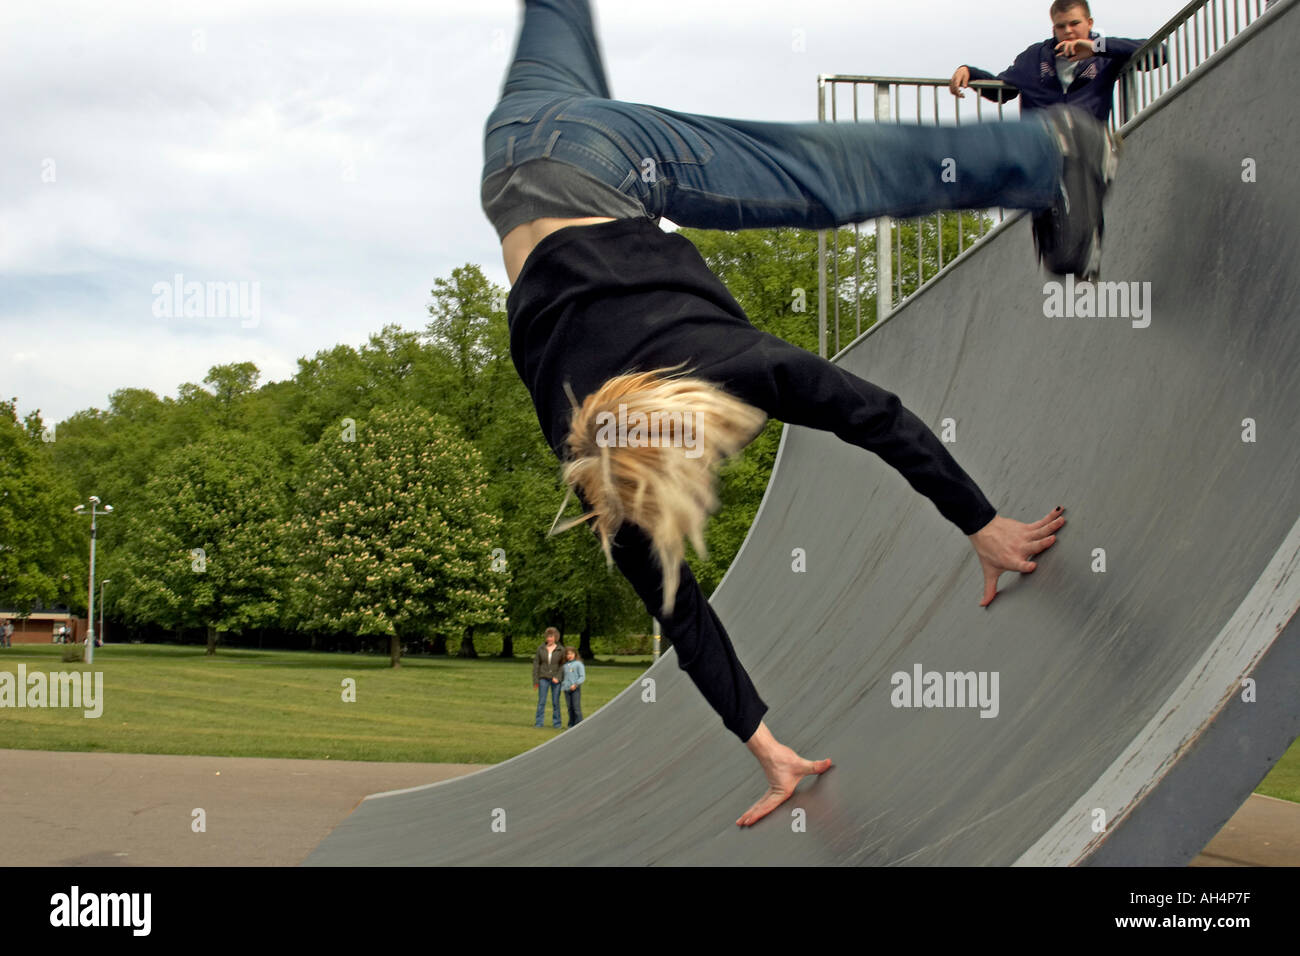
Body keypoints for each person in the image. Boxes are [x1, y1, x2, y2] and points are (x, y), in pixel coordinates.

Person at [487, 0, 1078, 826]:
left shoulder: (710, 391)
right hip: (509, 150)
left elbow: (871, 414)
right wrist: (764, 745)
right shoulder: (597, 473)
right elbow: (688, 621)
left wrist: (982, 524)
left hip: (603, 162)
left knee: (818, 178)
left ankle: (1047, 151)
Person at [949, 1, 1159, 123]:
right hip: (1042, 148)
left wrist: (1096, 47)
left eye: (1075, 23)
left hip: (1087, 148)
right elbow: (1002, 91)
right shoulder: (1035, 57)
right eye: (1061, 26)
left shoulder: (1106, 54)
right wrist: (969, 72)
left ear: (1090, 23)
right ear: (1053, 29)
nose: (1068, 31)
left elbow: (1159, 53)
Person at [532, 627, 566, 728]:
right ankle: (539, 722)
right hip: (543, 678)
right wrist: (535, 680)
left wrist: (558, 677)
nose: (549, 639)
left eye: (551, 637)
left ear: (555, 637)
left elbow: (563, 665)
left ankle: (557, 723)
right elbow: (536, 664)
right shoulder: (541, 648)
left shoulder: (561, 649)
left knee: (556, 701)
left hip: (555, 679)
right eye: (548, 637)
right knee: (541, 701)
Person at [562, 646, 586, 728]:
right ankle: (571, 724)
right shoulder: (564, 665)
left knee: (576, 707)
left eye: (571, 654)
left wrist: (576, 684)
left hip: (575, 689)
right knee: (569, 708)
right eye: (567, 654)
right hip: (566, 689)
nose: (569, 656)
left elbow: (582, 677)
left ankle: (579, 724)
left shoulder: (578, 664)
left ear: (575, 654)